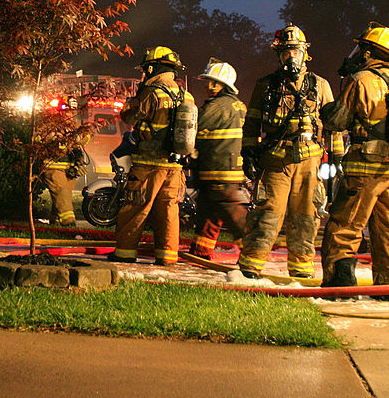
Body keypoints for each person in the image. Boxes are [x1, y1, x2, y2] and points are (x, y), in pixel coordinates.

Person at [319, 24, 389, 299]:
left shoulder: (360, 80)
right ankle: (387, 289)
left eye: (363, 48)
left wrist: (328, 106)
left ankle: (341, 285)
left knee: (344, 226)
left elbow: (338, 121)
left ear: (369, 52)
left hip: (364, 168)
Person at [237, 25, 334, 279]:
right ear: (279, 55)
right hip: (276, 158)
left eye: (294, 51)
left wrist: (338, 159)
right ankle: (250, 266)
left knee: (306, 215)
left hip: (310, 160)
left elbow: (333, 126)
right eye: (285, 52)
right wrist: (248, 152)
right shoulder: (266, 86)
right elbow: (251, 123)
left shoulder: (320, 85)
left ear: (304, 53)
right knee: (267, 212)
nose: (290, 56)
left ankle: (301, 268)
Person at [110, 46, 194, 266]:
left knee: (135, 207)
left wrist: (134, 98)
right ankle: (167, 257)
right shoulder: (186, 95)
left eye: (147, 68)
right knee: (168, 212)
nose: (145, 73)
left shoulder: (152, 92)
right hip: (175, 167)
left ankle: (125, 253)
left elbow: (129, 117)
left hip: (148, 165)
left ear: (154, 67)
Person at [188, 59, 249, 260]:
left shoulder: (218, 106)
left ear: (224, 84)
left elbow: (193, 127)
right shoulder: (236, 104)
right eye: (207, 81)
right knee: (208, 213)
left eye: (213, 82)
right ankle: (200, 251)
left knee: (232, 213)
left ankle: (251, 250)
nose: (208, 86)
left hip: (219, 170)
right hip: (218, 169)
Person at [40, 96, 88, 228]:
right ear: (59, 111)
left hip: (68, 169)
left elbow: (81, 143)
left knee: (63, 196)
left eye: (73, 111)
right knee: (62, 193)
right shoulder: (50, 127)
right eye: (67, 111)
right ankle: (69, 224)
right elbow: (42, 141)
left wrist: (79, 161)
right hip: (53, 166)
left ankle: (55, 223)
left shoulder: (74, 127)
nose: (71, 114)